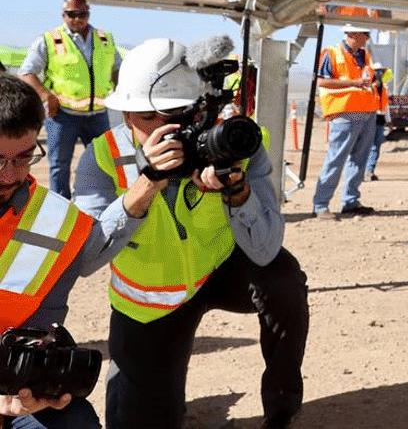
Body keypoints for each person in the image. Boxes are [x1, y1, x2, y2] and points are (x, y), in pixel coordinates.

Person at [73, 37, 309, 429]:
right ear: (127, 115)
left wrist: (238, 193)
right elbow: (85, 260)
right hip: (151, 302)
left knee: (283, 278)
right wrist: (146, 186)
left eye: (173, 114)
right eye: (146, 118)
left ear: (198, 109)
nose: (162, 129)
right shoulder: (101, 158)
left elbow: (266, 250)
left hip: (219, 271)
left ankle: (282, 408)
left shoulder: (234, 144)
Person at [0, 75, 108, 429]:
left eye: (24, 158)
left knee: (74, 421)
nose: (9, 175)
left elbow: (40, 324)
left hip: (11, 388)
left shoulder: (54, 222)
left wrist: (45, 377)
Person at [18, 0, 121, 198]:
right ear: (63, 15)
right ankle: (61, 206)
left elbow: (118, 68)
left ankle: (101, 200)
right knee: (59, 165)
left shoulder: (105, 39)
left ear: (88, 14)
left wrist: (121, 93)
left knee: (105, 161)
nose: (77, 19)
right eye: (71, 14)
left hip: (98, 115)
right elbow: (26, 73)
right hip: (63, 117)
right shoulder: (49, 40)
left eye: (81, 14)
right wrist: (46, 97)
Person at [310, 25, 379, 219]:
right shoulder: (332, 53)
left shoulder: (364, 55)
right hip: (344, 113)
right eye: (366, 34)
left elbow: (367, 79)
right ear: (354, 34)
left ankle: (350, 202)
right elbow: (322, 81)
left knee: (359, 160)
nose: (367, 38)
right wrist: (353, 83)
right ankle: (321, 205)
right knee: (336, 159)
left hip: (366, 111)